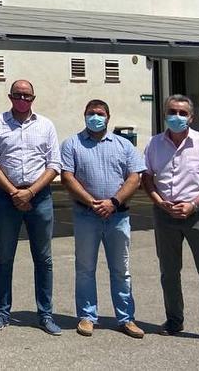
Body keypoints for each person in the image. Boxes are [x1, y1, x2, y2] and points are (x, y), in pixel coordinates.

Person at [142, 94, 199, 348]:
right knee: (169, 273)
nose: (177, 117)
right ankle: (174, 320)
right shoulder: (154, 144)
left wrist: (193, 204)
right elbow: (147, 177)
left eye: (182, 113)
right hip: (165, 215)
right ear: (165, 114)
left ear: (191, 117)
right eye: (172, 111)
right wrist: (158, 201)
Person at [59, 99, 146, 338]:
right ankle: (87, 317)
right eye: (91, 113)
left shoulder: (123, 145)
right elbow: (67, 177)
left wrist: (113, 202)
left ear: (108, 117)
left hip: (118, 216)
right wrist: (91, 202)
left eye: (100, 113)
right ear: (84, 115)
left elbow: (134, 178)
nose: (95, 117)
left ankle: (126, 318)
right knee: (85, 268)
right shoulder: (72, 144)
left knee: (121, 270)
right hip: (86, 215)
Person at [0, 79, 62, 335]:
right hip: (7, 197)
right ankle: (2, 312)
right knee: (4, 257)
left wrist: (30, 191)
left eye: (27, 95)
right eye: (18, 94)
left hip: (39, 196)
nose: (22, 99)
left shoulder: (46, 125)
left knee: (44, 259)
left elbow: (53, 165)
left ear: (33, 98)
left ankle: (45, 314)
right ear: (10, 96)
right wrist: (14, 192)